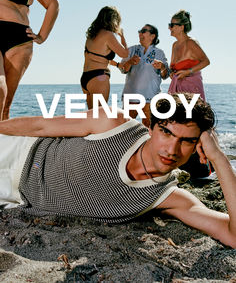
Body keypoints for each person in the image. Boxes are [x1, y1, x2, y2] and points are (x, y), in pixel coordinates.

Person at [0, 93, 235, 248]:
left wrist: (219, 157)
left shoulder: (167, 198)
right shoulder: (114, 122)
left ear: (198, 146)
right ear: (151, 127)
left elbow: (232, 235)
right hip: (19, 150)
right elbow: (41, 124)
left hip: (16, 197)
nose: (172, 149)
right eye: (166, 132)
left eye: (186, 141)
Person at [0, 0, 59, 121]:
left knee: (5, 105)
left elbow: (52, 4)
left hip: (19, 41)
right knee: (0, 90)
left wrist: (42, 36)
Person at [117, 24, 169, 128]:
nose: (140, 33)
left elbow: (166, 75)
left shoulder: (159, 53)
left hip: (150, 97)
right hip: (131, 96)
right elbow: (122, 69)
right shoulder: (131, 50)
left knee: (149, 128)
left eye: (143, 31)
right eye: (139, 31)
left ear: (152, 36)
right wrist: (130, 62)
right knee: (125, 128)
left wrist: (162, 66)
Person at [80, 6, 128, 109]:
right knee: (100, 115)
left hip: (85, 78)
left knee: (91, 116)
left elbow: (99, 57)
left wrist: (118, 65)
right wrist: (122, 37)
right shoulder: (108, 35)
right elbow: (125, 54)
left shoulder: (91, 35)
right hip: (98, 78)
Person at [168, 10, 209, 100]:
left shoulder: (191, 43)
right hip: (177, 90)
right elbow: (172, 67)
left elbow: (206, 61)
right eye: (169, 25)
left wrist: (187, 72)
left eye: (171, 25)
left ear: (181, 27)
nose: (169, 28)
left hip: (192, 90)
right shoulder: (174, 45)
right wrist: (170, 71)